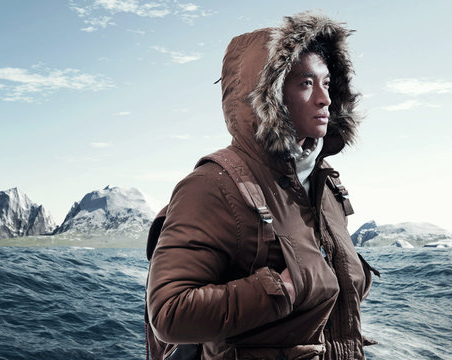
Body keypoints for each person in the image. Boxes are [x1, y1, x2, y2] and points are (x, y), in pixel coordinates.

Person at [147, 11, 375, 360]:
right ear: (267, 95)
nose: (324, 98)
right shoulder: (210, 185)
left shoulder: (325, 184)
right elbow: (170, 312)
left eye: (327, 83)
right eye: (305, 83)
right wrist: (283, 287)